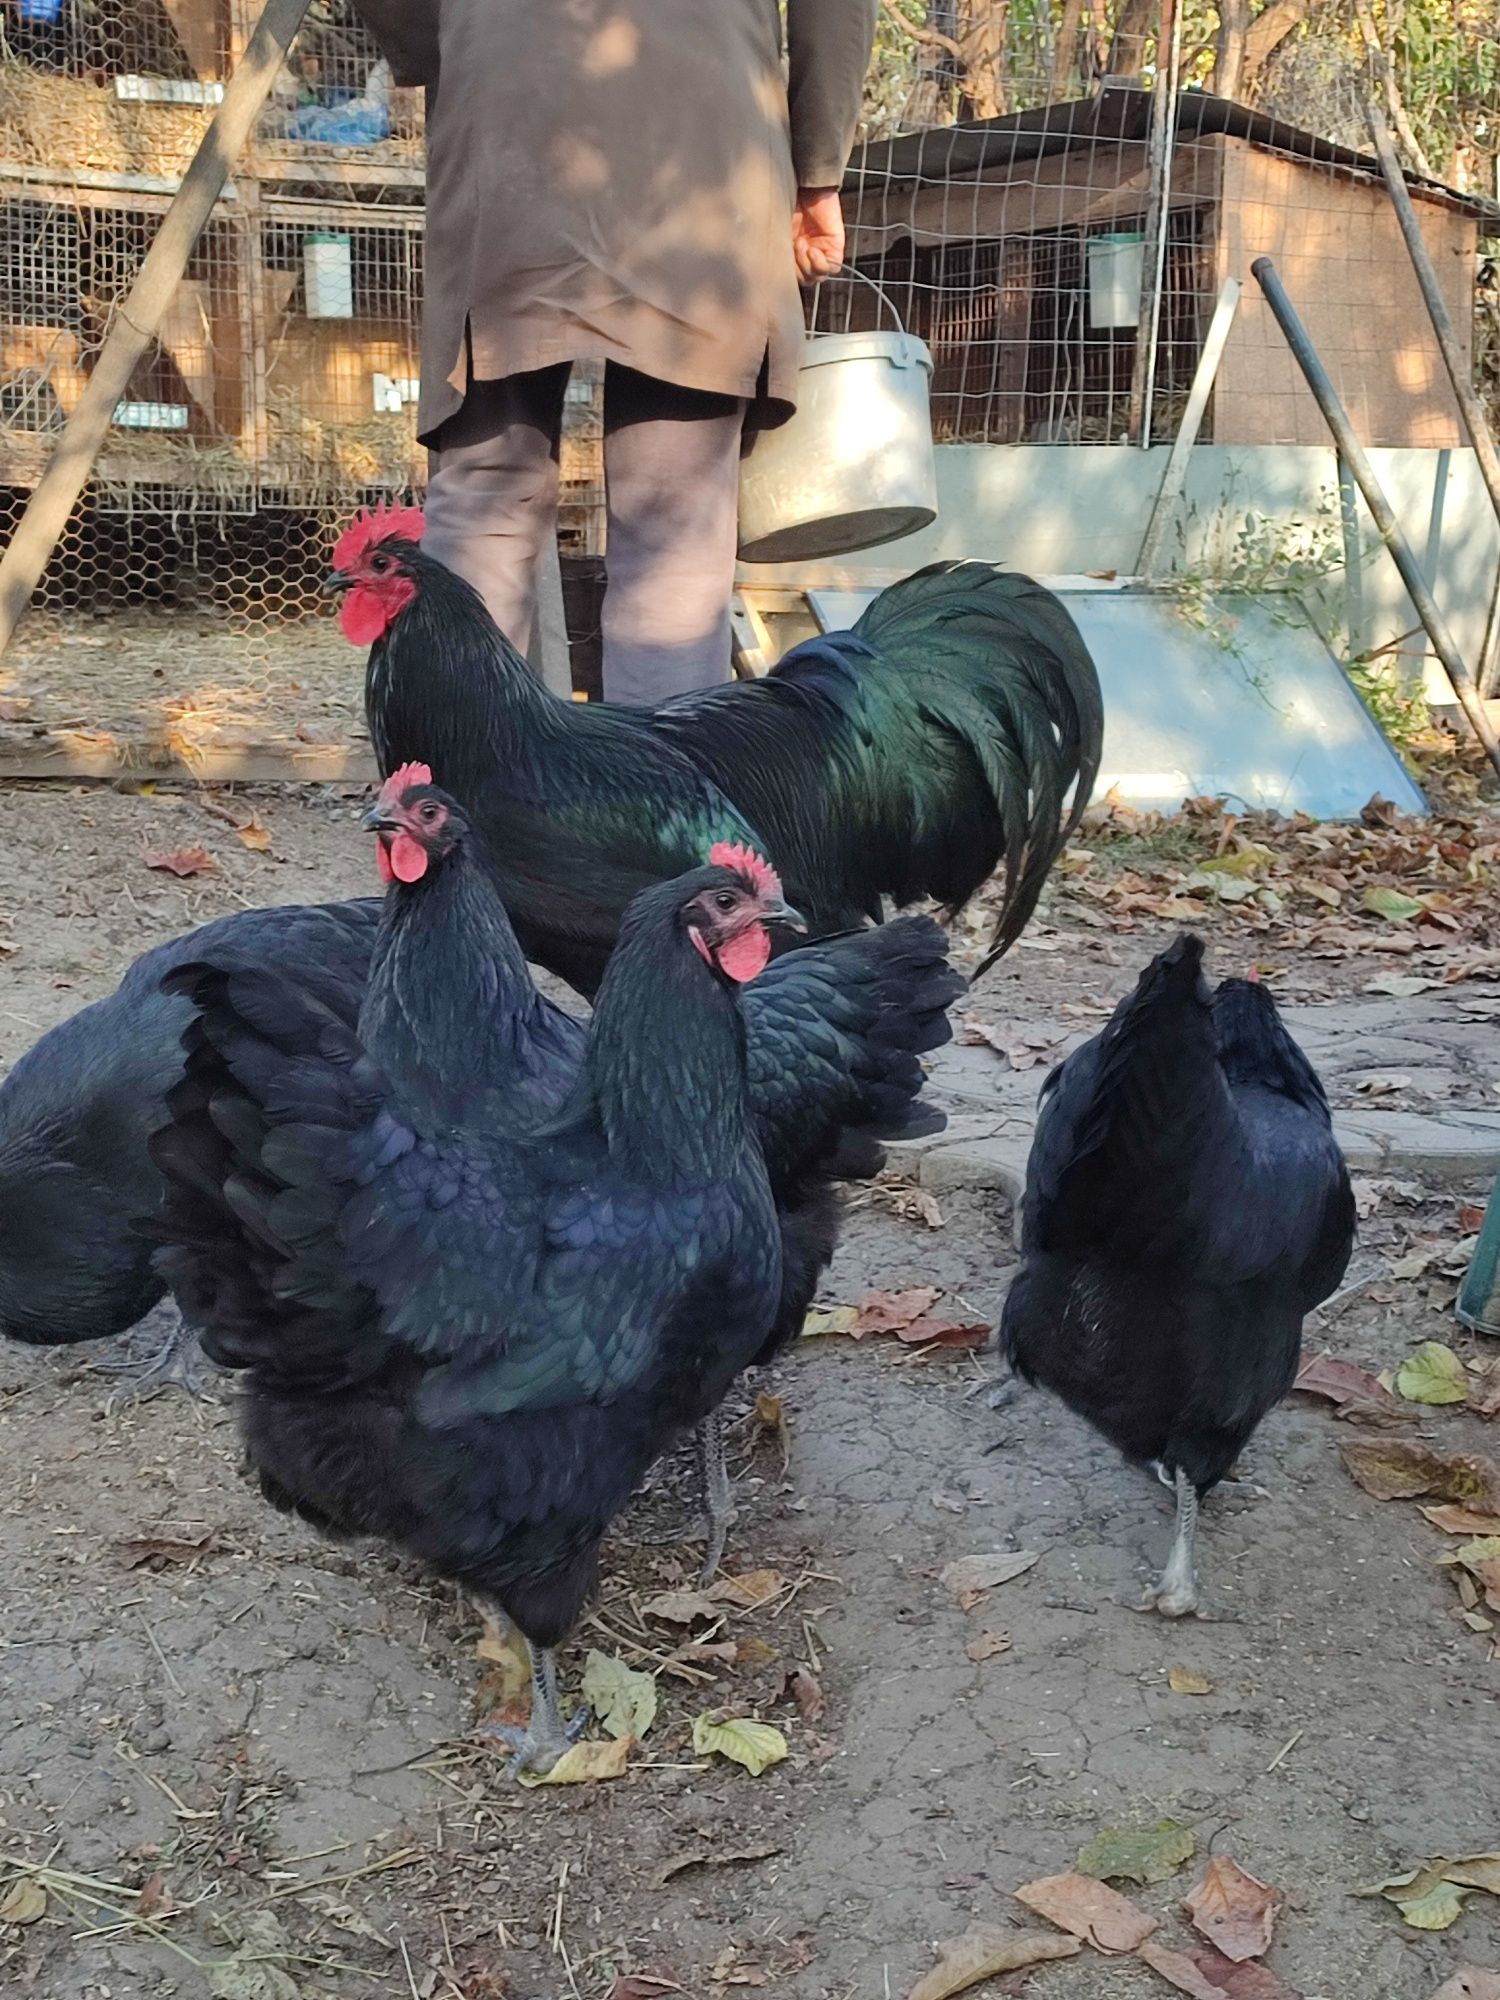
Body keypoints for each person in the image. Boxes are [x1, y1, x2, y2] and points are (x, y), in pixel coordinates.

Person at [351, 1, 877, 704]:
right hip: (707, 140)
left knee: (485, 491)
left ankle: (456, 802)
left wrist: (448, 41)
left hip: (507, 112)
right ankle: (655, 805)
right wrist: (818, 165)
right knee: (674, 516)